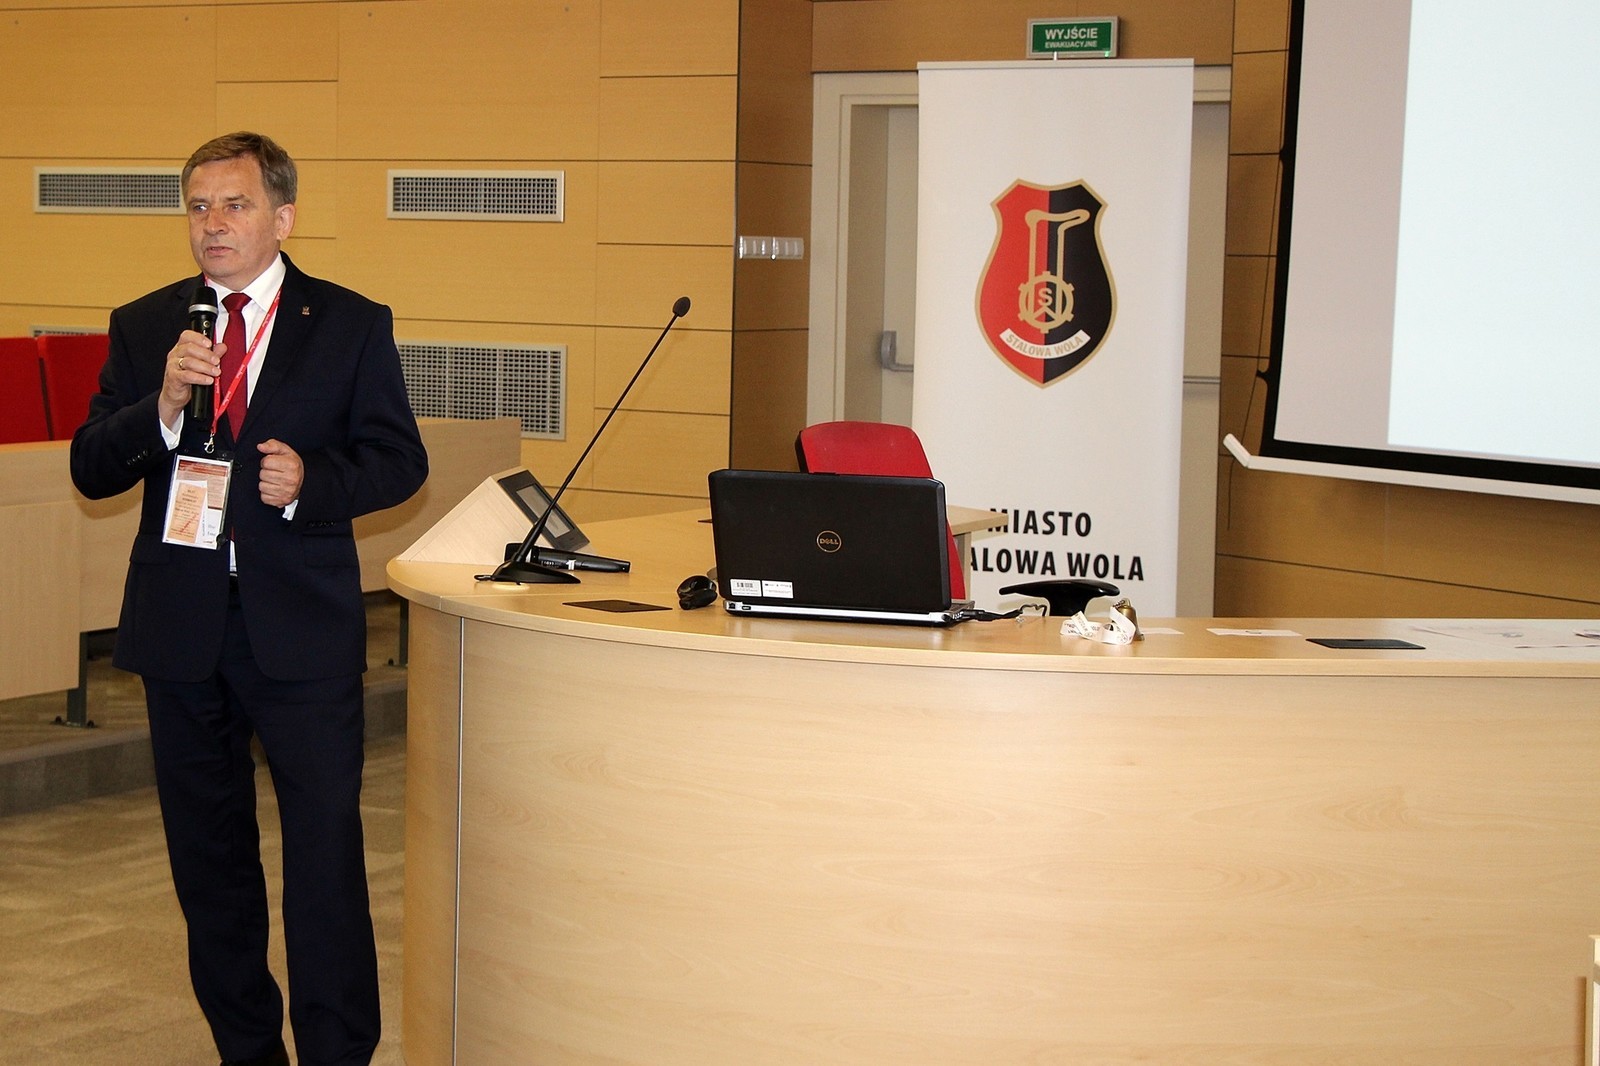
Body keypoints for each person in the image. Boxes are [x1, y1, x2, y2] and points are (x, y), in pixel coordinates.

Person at [70, 132, 428, 1066]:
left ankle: (337, 1052)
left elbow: (399, 460)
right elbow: (91, 465)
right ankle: (247, 1050)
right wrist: (160, 408)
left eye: (234, 205)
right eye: (198, 206)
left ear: (283, 217)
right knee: (210, 865)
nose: (213, 224)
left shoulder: (348, 322)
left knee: (323, 857)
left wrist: (312, 481)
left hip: (300, 632)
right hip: (181, 631)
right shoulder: (147, 325)